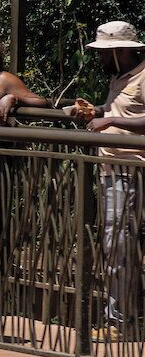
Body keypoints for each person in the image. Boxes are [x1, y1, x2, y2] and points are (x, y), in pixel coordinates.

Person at [70, 21, 145, 329]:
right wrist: (96, 111)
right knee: (114, 242)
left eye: (105, 52)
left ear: (123, 51)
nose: (100, 59)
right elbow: (125, 111)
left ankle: (121, 319)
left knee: (118, 244)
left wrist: (111, 118)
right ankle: (120, 315)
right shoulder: (119, 76)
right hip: (111, 170)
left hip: (131, 170)